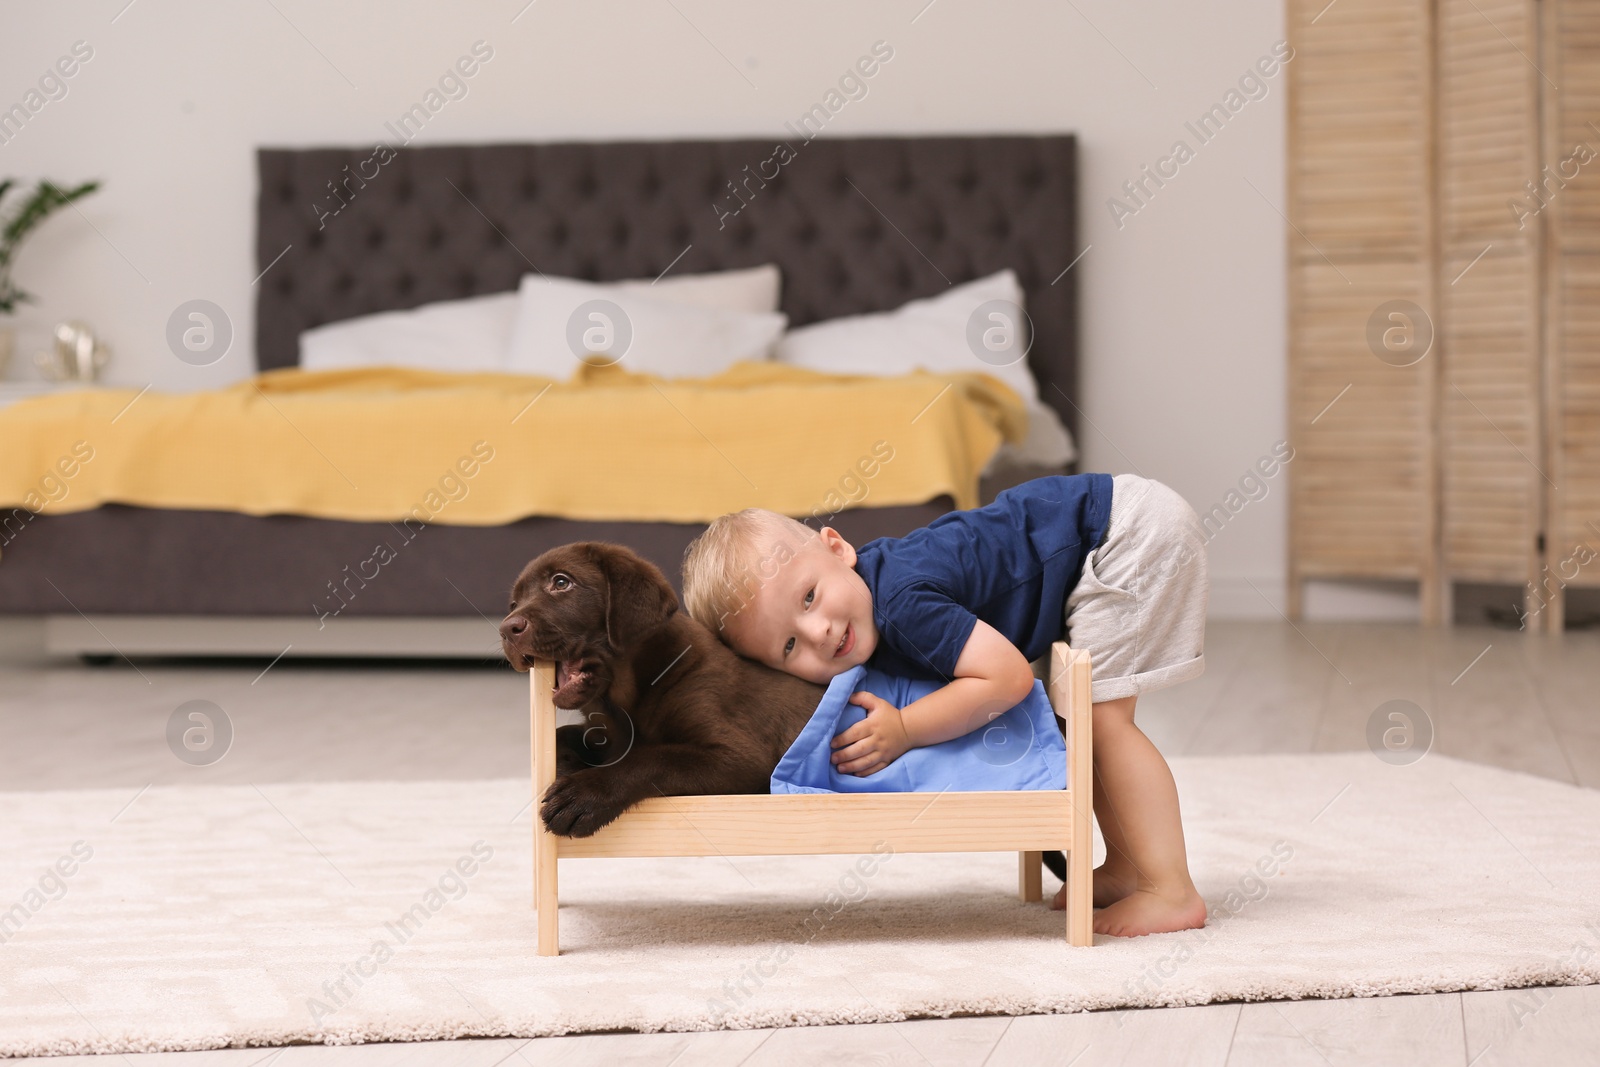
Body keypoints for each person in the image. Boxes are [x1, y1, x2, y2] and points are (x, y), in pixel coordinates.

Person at [680, 473, 1210, 938]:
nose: (817, 632)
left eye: (809, 597)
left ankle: (1170, 889)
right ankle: (1126, 867)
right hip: (1105, 529)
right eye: (788, 646)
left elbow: (1008, 679)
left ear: (838, 549)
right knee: (1084, 727)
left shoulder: (902, 603)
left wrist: (907, 728)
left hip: (1124, 536)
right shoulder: (869, 593)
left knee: (1104, 724)